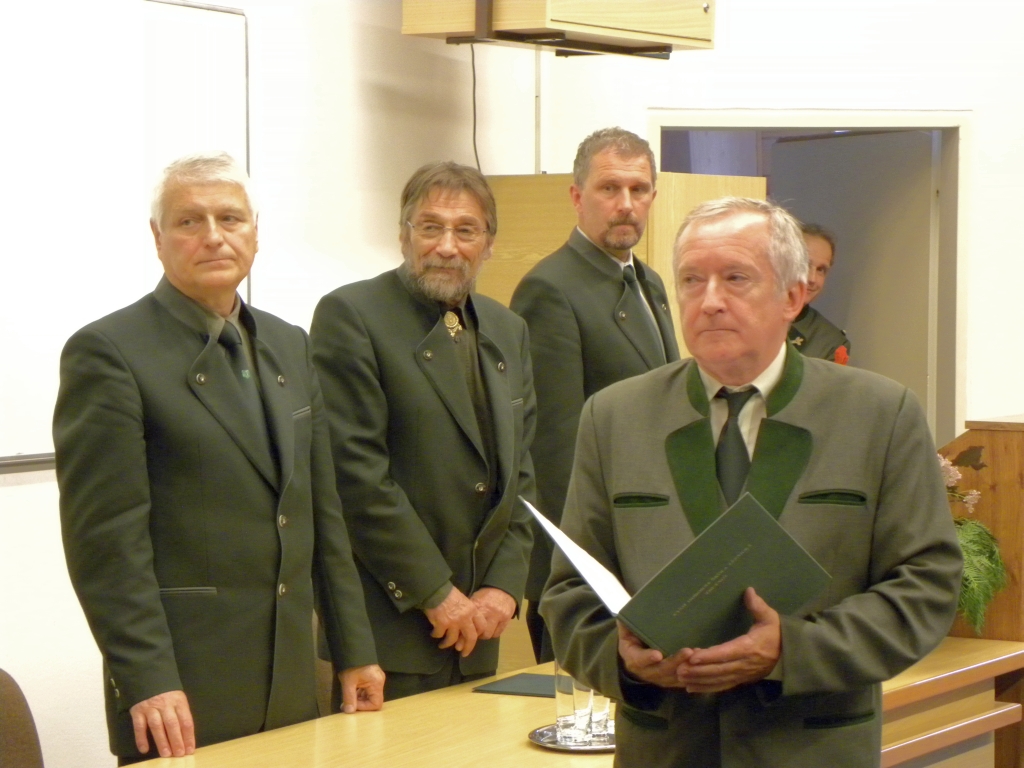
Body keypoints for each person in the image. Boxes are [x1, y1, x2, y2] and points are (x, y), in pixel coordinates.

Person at [540, 197, 962, 768]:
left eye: (736, 278)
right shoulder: (615, 417)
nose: (710, 300)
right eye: (692, 280)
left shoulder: (879, 415)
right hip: (666, 747)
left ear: (793, 296)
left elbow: (927, 585)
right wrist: (621, 661)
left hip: (811, 746)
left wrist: (793, 649)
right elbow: (570, 593)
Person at [54, 153, 384, 764]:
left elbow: (322, 514)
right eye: (189, 221)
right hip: (183, 689)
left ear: (255, 232)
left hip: (289, 677)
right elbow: (106, 545)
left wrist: (353, 648)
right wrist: (147, 678)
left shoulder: (289, 344)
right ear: (158, 238)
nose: (213, 236)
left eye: (230, 218)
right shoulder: (109, 353)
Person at [310, 161, 536, 700]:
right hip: (390, 635)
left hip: (480, 631)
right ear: (403, 235)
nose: (447, 246)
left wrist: (504, 588)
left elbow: (523, 478)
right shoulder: (351, 316)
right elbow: (356, 477)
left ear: (489, 244)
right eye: (431, 227)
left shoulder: (508, 329)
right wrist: (437, 593)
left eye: (466, 230)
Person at [510, 127, 679, 661]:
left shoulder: (649, 282)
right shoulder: (550, 288)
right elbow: (555, 451)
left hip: (650, 551)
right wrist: (588, 570)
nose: (626, 204)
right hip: (590, 567)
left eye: (638, 189)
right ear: (577, 196)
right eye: (610, 188)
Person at [788, 222, 851, 364]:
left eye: (821, 270)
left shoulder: (831, 342)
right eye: (804, 265)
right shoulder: (746, 314)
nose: (812, 279)